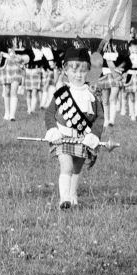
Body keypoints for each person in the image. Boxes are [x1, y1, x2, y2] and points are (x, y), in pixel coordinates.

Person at [42, 47, 104, 209]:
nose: (78, 75)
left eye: (83, 71)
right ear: (65, 71)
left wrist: (95, 135)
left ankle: (73, 193)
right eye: (74, 70)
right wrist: (52, 129)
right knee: (66, 166)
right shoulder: (62, 92)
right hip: (62, 138)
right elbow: (49, 114)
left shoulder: (92, 94)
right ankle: (64, 199)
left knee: (77, 168)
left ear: (88, 72)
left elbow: (99, 118)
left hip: (83, 138)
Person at [2, 38, 28, 121]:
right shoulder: (5, 40)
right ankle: (7, 113)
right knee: (7, 90)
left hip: (17, 66)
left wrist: (22, 57)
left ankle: (12, 115)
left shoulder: (23, 41)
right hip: (7, 65)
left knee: (14, 90)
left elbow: (28, 54)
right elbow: (1, 50)